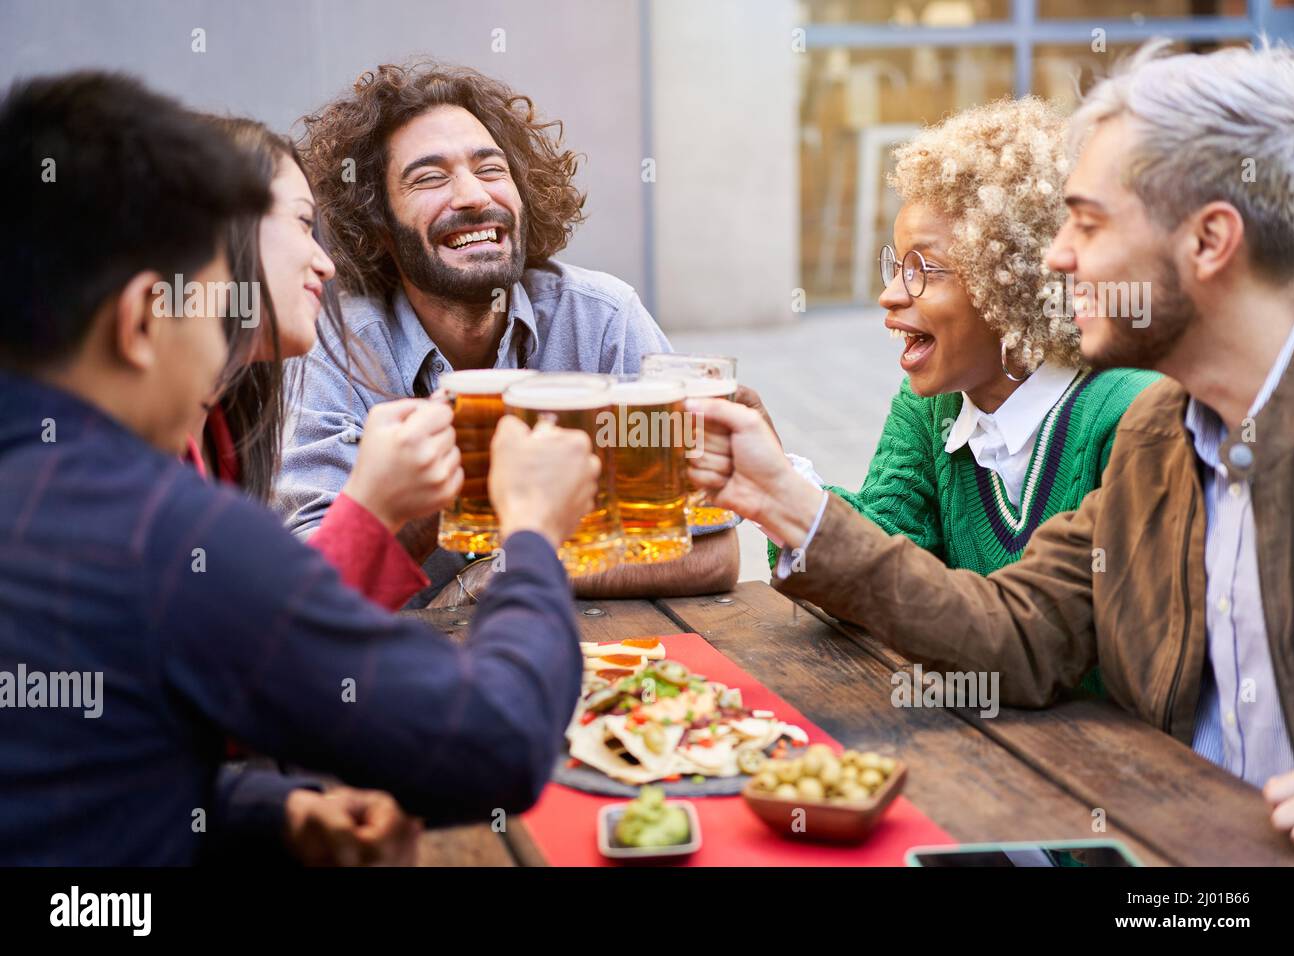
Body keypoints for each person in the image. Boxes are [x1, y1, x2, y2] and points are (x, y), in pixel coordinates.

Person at [685, 40, 1294, 848]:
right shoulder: (1168, 434)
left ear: (1210, 240)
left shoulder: (1132, 413)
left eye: (1088, 221)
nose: (1054, 256)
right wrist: (786, 503)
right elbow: (1018, 631)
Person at [0, 70, 595, 864]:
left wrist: (265, 813)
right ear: (144, 322)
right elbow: (496, 743)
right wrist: (532, 536)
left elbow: (90, 762)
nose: (324, 265)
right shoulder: (162, 534)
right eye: (216, 301)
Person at [277, 60, 740, 604]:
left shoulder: (600, 317)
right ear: (378, 226)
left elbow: (714, 550)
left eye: (491, 169)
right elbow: (306, 588)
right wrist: (420, 502)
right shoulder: (336, 349)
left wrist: (504, 575)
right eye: (429, 177)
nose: (474, 196)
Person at [751, 101, 1156, 689]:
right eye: (894, 264)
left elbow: (1066, 645)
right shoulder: (930, 406)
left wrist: (786, 500)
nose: (890, 295)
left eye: (924, 269)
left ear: (1013, 282)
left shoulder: (1127, 412)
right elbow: (881, 560)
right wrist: (777, 483)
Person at [195, 116, 458, 613]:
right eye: (300, 223)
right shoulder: (117, 476)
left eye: (491, 168)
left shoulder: (222, 434)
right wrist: (533, 541)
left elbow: (265, 622)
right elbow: (277, 645)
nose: (327, 264)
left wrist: (401, 508)